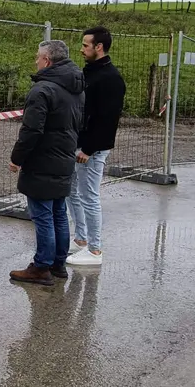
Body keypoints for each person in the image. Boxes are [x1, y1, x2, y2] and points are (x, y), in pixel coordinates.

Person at [8, 40, 85, 286]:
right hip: (64, 159)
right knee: (59, 213)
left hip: (42, 161)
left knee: (42, 215)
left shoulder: (41, 90)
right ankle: (58, 263)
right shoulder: (77, 88)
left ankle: (41, 267)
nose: (36, 61)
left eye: (37, 57)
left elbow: (31, 130)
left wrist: (17, 158)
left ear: (47, 61)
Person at [66, 26, 126, 267]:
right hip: (78, 143)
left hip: (91, 148)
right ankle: (81, 239)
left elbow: (108, 120)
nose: (81, 49)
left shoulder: (111, 79)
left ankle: (95, 250)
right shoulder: (89, 73)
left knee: (89, 196)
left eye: (85, 45)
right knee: (71, 190)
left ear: (98, 47)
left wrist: (88, 149)